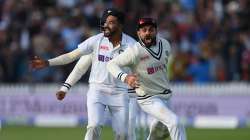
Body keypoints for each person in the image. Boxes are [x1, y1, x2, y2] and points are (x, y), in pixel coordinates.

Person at [31, 8, 137, 140]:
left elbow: (140, 71)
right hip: (97, 90)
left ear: (121, 25)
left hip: (120, 93)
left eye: (111, 22)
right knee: (94, 126)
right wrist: (48, 63)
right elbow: (72, 58)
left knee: (124, 135)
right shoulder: (96, 41)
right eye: (104, 22)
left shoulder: (132, 46)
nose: (105, 25)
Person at [107, 17, 187, 140]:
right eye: (144, 30)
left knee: (159, 133)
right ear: (139, 33)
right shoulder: (135, 51)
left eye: (151, 29)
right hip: (148, 98)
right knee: (175, 122)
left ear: (156, 31)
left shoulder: (165, 44)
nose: (147, 33)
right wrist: (126, 77)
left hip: (166, 97)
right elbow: (111, 64)